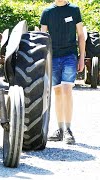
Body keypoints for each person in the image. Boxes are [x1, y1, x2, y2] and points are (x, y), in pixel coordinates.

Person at [40, 0, 85, 145]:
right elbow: (42, 38)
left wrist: (82, 58)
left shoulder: (74, 10)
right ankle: (59, 129)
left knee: (67, 90)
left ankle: (68, 130)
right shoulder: (47, 12)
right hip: (53, 58)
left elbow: (81, 35)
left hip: (69, 56)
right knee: (58, 92)